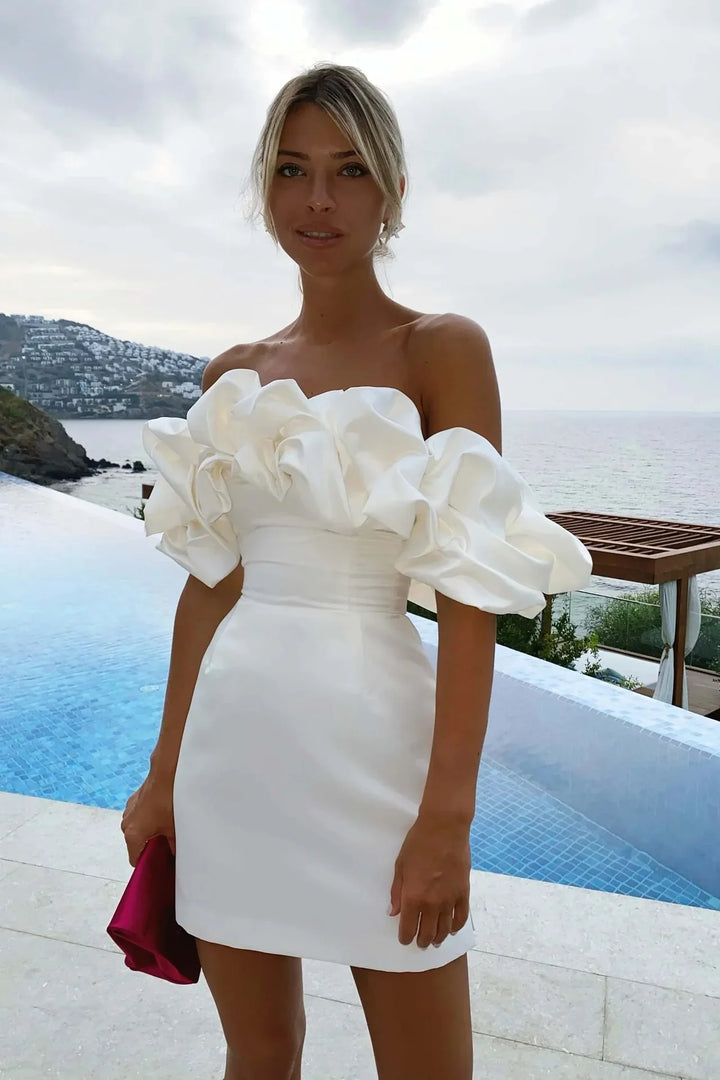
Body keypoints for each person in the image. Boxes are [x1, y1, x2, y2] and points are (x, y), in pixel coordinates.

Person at [120, 62, 593, 1080]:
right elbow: (210, 589)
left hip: (378, 756)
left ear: (394, 191)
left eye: (349, 170)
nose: (319, 200)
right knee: (260, 1054)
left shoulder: (441, 350)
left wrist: (447, 818)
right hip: (234, 759)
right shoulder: (234, 375)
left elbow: (470, 597)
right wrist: (162, 777)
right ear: (265, 188)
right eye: (292, 169)